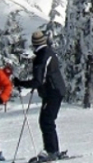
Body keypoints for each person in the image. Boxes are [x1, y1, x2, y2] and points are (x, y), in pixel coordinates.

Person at [13, 30, 67, 162]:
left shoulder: (41, 57)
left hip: (52, 92)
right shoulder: (48, 52)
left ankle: (51, 151)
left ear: (34, 44)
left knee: (46, 121)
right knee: (48, 120)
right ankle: (53, 150)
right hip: (56, 90)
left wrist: (20, 83)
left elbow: (38, 80)